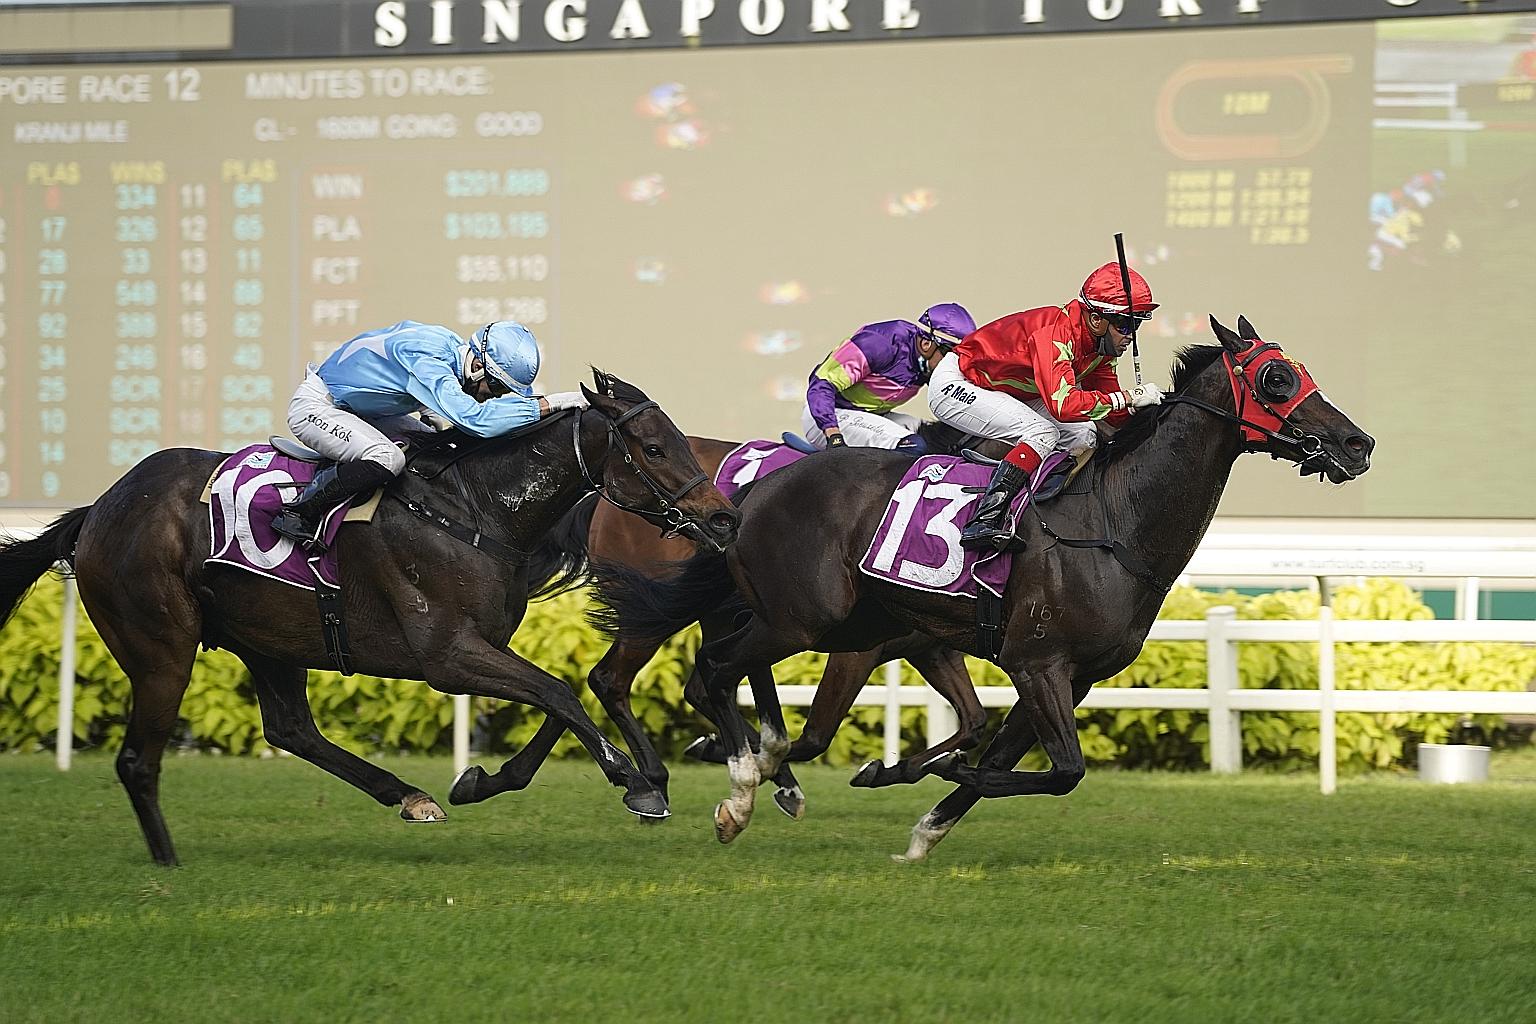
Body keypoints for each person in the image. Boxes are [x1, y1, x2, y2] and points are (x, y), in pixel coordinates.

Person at [271, 319, 587, 550]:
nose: (495, 396)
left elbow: (423, 397)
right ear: (477, 366)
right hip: (318, 407)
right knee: (388, 458)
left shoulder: (448, 348)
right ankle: (298, 512)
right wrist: (550, 404)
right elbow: (475, 420)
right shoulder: (429, 359)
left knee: (434, 447)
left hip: (364, 411)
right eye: (497, 387)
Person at [927, 264, 1164, 551]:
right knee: (1042, 433)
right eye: (1125, 325)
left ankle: (1046, 511)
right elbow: (1064, 405)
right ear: (1096, 319)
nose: (1131, 336)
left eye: (1137, 325)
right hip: (958, 382)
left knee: (1083, 435)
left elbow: (1112, 413)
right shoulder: (1055, 334)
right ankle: (984, 520)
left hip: (1011, 390)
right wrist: (1127, 396)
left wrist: (1147, 410)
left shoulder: (1100, 352)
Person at [801, 303, 978, 454]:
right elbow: (821, 384)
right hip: (827, 417)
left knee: (942, 440)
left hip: (873, 415)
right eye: (951, 355)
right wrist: (833, 434)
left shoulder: (927, 360)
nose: (956, 363)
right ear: (926, 344)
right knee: (913, 446)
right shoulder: (880, 342)